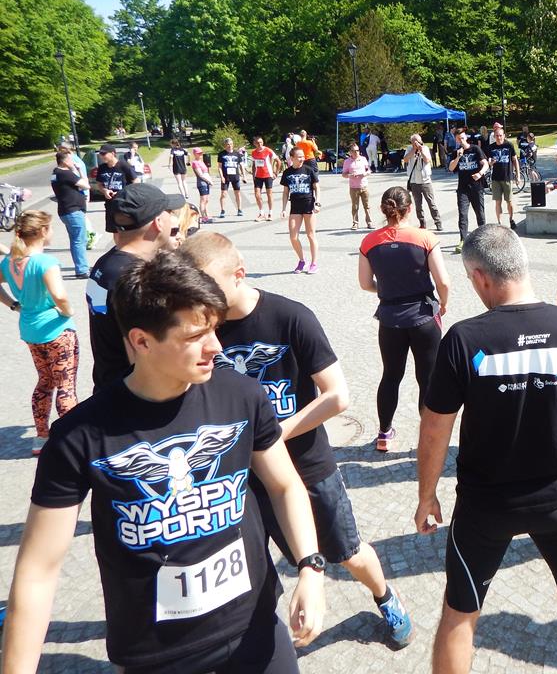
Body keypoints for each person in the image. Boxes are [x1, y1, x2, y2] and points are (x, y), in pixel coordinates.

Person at [2, 250, 326, 673]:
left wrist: (311, 567)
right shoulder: (80, 436)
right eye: (196, 336)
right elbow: (37, 573)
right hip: (156, 652)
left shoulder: (242, 395)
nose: (216, 347)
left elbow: (284, 485)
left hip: (255, 627)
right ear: (141, 341)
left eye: (215, 329)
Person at [416, 224, 557, 674]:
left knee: (460, 612)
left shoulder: (463, 339)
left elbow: (434, 429)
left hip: (484, 505)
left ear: (480, 276)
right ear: (521, 264)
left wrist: (426, 496)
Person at [181, 232, 414, 648]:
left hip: (308, 466)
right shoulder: (202, 331)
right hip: (240, 477)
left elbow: (337, 396)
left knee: (348, 552)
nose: (202, 300)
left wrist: (270, 437)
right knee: (252, 563)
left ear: (239, 274)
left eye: (209, 287)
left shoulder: (290, 317)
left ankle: (385, 597)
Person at [359, 187, 450, 453]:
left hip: (390, 318)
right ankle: (428, 436)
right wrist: (443, 303)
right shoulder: (425, 237)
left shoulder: (369, 242)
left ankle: (384, 433)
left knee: (390, 375)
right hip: (424, 315)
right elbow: (443, 281)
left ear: (383, 210)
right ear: (410, 208)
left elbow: (365, 283)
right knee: (428, 378)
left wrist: (388, 289)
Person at [87, 184, 185, 391]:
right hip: (132, 393)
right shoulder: (135, 276)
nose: (172, 218)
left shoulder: (107, 263)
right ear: (158, 222)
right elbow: (140, 354)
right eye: (168, 212)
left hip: (108, 384)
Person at [0, 211, 79, 456]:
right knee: (65, 384)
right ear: (43, 231)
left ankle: (41, 436)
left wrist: (14, 305)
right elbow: (60, 295)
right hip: (56, 329)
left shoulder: (9, 262)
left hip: (30, 329)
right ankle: (71, 440)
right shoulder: (45, 262)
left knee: (45, 381)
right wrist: (67, 311)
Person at [280, 147, 320, 274]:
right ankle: (302, 260)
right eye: (299, 157)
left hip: (308, 204)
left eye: (303, 156)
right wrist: (283, 208)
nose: (302, 159)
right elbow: (285, 192)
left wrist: (318, 203)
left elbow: (316, 187)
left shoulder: (309, 170)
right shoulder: (287, 172)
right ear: (292, 158)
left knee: (311, 235)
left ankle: (314, 263)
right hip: (295, 207)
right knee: (293, 236)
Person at [51, 150, 90, 278]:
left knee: (75, 239)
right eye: (71, 159)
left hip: (65, 210)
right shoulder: (65, 173)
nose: (73, 161)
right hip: (73, 210)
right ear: (65, 161)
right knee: (79, 240)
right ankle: (82, 270)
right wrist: (79, 170)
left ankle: (81, 267)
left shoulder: (55, 173)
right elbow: (86, 185)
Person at [449, 129, 488, 254]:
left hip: (476, 187)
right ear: (456, 140)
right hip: (463, 189)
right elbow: (451, 168)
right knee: (462, 214)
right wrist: (458, 157)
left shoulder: (475, 149)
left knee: (480, 213)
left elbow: (485, 164)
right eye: (459, 139)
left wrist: (480, 173)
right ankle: (463, 239)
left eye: (462, 138)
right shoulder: (456, 152)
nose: (461, 140)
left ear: (466, 137)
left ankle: (483, 238)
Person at [403, 134, 443, 231]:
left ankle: (438, 222)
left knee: (431, 203)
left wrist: (420, 150)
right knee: (418, 204)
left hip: (425, 181)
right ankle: (422, 222)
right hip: (414, 181)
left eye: (417, 141)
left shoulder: (425, 148)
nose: (416, 143)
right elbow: (405, 159)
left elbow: (427, 160)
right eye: (413, 141)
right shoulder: (409, 149)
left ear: (420, 141)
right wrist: (413, 150)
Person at [488, 124, 519, 228]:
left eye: (500, 135)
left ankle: (511, 219)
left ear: (504, 135)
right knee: (498, 201)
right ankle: (499, 223)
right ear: (494, 136)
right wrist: (491, 163)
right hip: (496, 178)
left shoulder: (509, 145)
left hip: (507, 177)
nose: (499, 137)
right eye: (497, 136)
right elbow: (488, 162)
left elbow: (515, 160)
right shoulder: (491, 147)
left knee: (509, 201)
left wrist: (518, 175)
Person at [341, 143, 373, 230]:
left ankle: (369, 222)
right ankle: (355, 223)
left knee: (367, 206)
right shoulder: (347, 161)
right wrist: (350, 175)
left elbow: (369, 170)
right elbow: (343, 174)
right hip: (353, 187)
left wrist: (365, 173)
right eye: (354, 151)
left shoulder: (363, 159)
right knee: (355, 206)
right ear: (350, 152)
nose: (356, 152)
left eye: (358, 150)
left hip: (364, 186)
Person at [251, 136, 281, 222]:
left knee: (269, 194)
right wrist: (253, 175)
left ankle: (270, 213)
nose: (260, 144)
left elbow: (278, 161)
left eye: (261, 142)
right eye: (258, 143)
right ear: (254, 144)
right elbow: (253, 164)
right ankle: (261, 213)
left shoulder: (268, 150)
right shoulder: (253, 152)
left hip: (268, 175)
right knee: (257, 194)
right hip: (258, 176)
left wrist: (276, 173)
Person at [217, 138, 246, 218]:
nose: (229, 146)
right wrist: (221, 177)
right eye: (228, 144)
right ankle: (222, 210)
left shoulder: (237, 154)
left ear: (233, 145)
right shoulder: (221, 154)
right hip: (225, 177)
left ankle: (239, 209)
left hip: (235, 177)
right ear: (225, 145)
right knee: (223, 194)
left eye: (231, 144)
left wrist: (244, 176)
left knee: (237, 193)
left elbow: (241, 165)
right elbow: (219, 167)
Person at [191, 148, 215, 223]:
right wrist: (209, 181)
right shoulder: (195, 163)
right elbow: (200, 175)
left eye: (201, 153)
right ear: (195, 154)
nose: (200, 154)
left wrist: (209, 180)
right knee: (203, 200)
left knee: (206, 200)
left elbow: (206, 172)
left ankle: (207, 215)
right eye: (198, 153)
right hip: (202, 183)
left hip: (206, 183)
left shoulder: (201, 161)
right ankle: (203, 217)